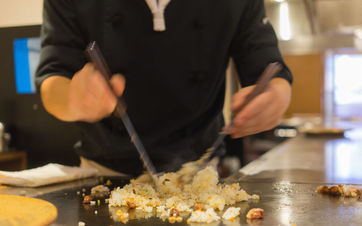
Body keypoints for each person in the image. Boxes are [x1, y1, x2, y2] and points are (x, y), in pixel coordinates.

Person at [35, 0, 293, 176]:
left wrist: (276, 95)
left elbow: (267, 68)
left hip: (200, 170)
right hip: (104, 173)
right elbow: (52, 76)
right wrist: (73, 100)